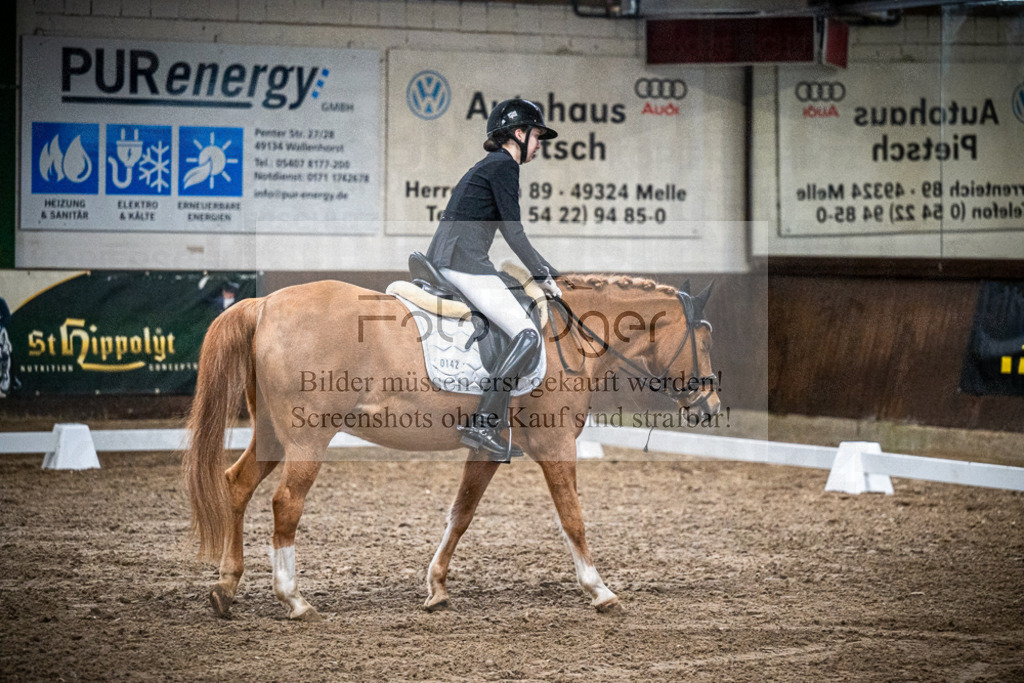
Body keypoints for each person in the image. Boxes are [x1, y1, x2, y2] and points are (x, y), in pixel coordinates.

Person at [425, 98, 563, 462]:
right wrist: (541, 273)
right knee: (528, 334)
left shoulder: (492, 166)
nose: (540, 144)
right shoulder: (504, 167)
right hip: (463, 262)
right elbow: (514, 233)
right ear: (519, 134)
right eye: (537, 136)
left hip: (452, 256)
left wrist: (546, 268)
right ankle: (484, 423)